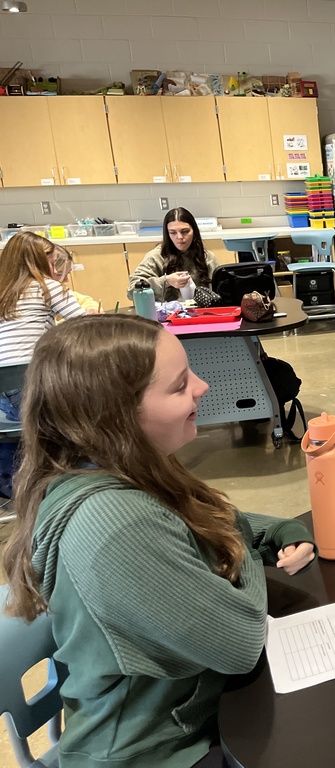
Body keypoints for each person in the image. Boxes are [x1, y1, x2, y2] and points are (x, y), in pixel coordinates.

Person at [1, 314, 317, 768]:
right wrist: (237, 542)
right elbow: (241, 642)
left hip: (190, 721)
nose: (203, 387)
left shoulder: (119, 470)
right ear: (115, 418)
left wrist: (277, 532)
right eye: (179, 385)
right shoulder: (115, 525)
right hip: (158, 752)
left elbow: (211, 520)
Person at [0, 231, 89, 364]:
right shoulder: (46, 287)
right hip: (31, 367)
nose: (55, 270)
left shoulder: (5, 292)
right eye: (53, 263)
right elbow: (86, 325)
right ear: (39, 261)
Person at [128, 207, 219, 302]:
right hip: (166, 314)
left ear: (194, 232)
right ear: (167, 234)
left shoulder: (207, 257)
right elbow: (132, 291)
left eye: (185, 231)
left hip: (202, 313)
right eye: (173, 233)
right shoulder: (155, 257)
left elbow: (221, 292)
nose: (179, 237)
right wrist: (166, 281)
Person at [49, 244, 101, 314]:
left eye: (68, 273)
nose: (66, 279)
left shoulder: (63, 290)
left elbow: (85, 300)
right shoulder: (52, 291)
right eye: (60, 274)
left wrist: (91, 308)